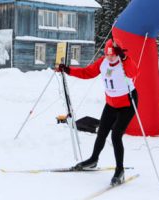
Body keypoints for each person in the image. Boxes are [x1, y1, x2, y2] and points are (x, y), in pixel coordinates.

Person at [55, 39, 138, 185]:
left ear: (118, 53)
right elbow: (87, 73)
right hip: (111, 103)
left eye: (112, 55)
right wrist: (68, 70)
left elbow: (134, 72)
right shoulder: (102, 62)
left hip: (127, 103)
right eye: (107, 54)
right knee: (102, 132)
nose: (110, 57)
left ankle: (120, 170)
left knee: (116, 135)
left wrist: (124, 58)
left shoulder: (124, 62)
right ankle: (93, 159)